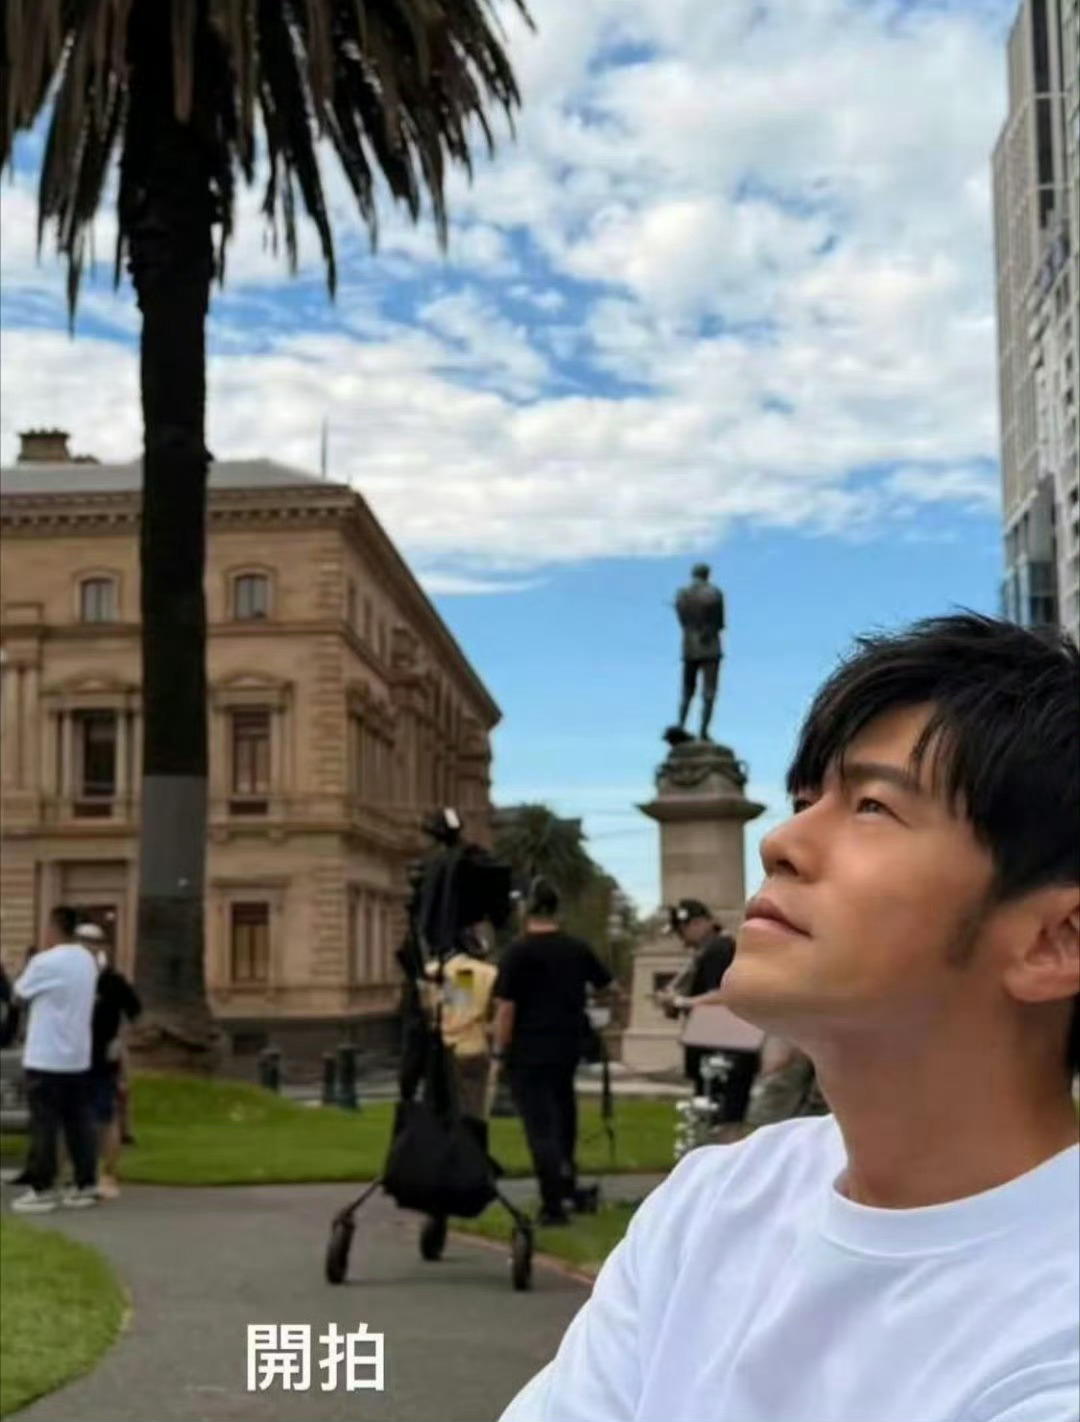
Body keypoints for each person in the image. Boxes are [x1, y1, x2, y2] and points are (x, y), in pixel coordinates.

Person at [497, 612, 1080, 1422]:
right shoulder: (715, 1203)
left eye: (872, 806)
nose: (780, 841)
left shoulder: (1056, 1340)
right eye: (806, 799)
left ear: (1054, 941)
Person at [492, 878, 616, 1225]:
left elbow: (506, 1009)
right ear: (556, 910)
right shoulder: (575, 949)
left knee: (539, 1126)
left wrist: (499, 1052)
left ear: (526, 910)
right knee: (564, 1118)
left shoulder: (517, 953)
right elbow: (609, 986)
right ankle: (566, 1183)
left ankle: (553, 1204)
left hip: (528, 1049)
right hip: (567, 1046)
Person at [10, 906, 100, 1212]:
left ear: (54, 927)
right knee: (79, 1122)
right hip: (77, 1056)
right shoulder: (87, 960)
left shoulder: (44, 961)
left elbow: (18, 994)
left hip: (46, 1055)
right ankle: (85, 1184)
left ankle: (43, 1187)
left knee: (44, 1124)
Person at [78, 923, 141, 1199]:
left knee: (105, 1117)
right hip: (71, 1058)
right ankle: (76, 1174)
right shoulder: (71, 977)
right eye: (82, 942)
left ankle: (108, 1173)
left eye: (92, 943)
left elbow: (135, 1012)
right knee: (73, 1117)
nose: (87, 948)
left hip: (103, 1058)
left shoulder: (113, 981)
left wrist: (120, 1040)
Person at [656, 899, 738, 1095]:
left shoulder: (719, 950)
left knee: (715, 1102)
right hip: (707, 1044)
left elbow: (724, 995)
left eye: (681, 931)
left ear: (698, 923)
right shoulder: (706, 952)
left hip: (718, 1046)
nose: (681, 939)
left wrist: (680, 1002)